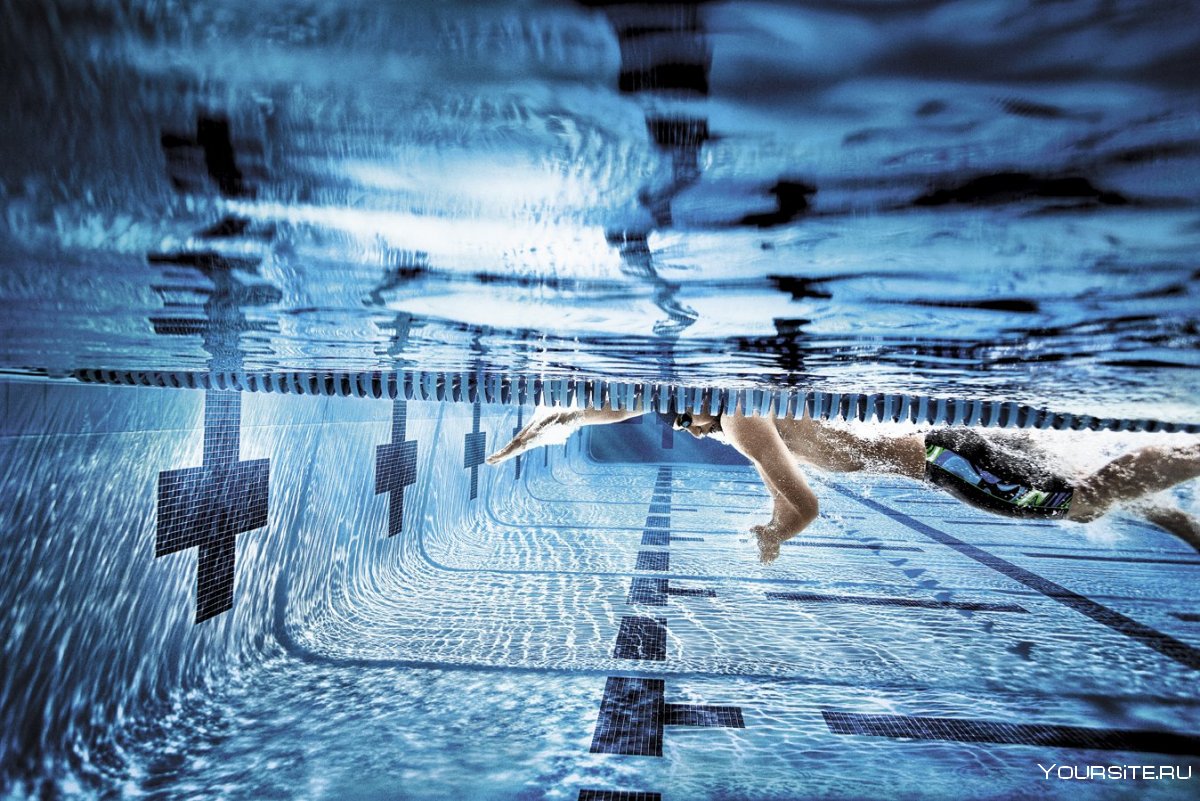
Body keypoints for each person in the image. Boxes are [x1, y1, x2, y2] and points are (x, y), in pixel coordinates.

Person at [486, 405, 1200, 563]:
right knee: (1079, 486)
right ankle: (1191, 527)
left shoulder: (740, 420)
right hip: (949, 444)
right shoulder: (741, 404)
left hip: (946, 460)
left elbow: (805, 502)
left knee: (1082, 501)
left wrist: (775, 533)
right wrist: (557, 423)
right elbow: (616, 402)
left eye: (686, 420)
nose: (692, 431)